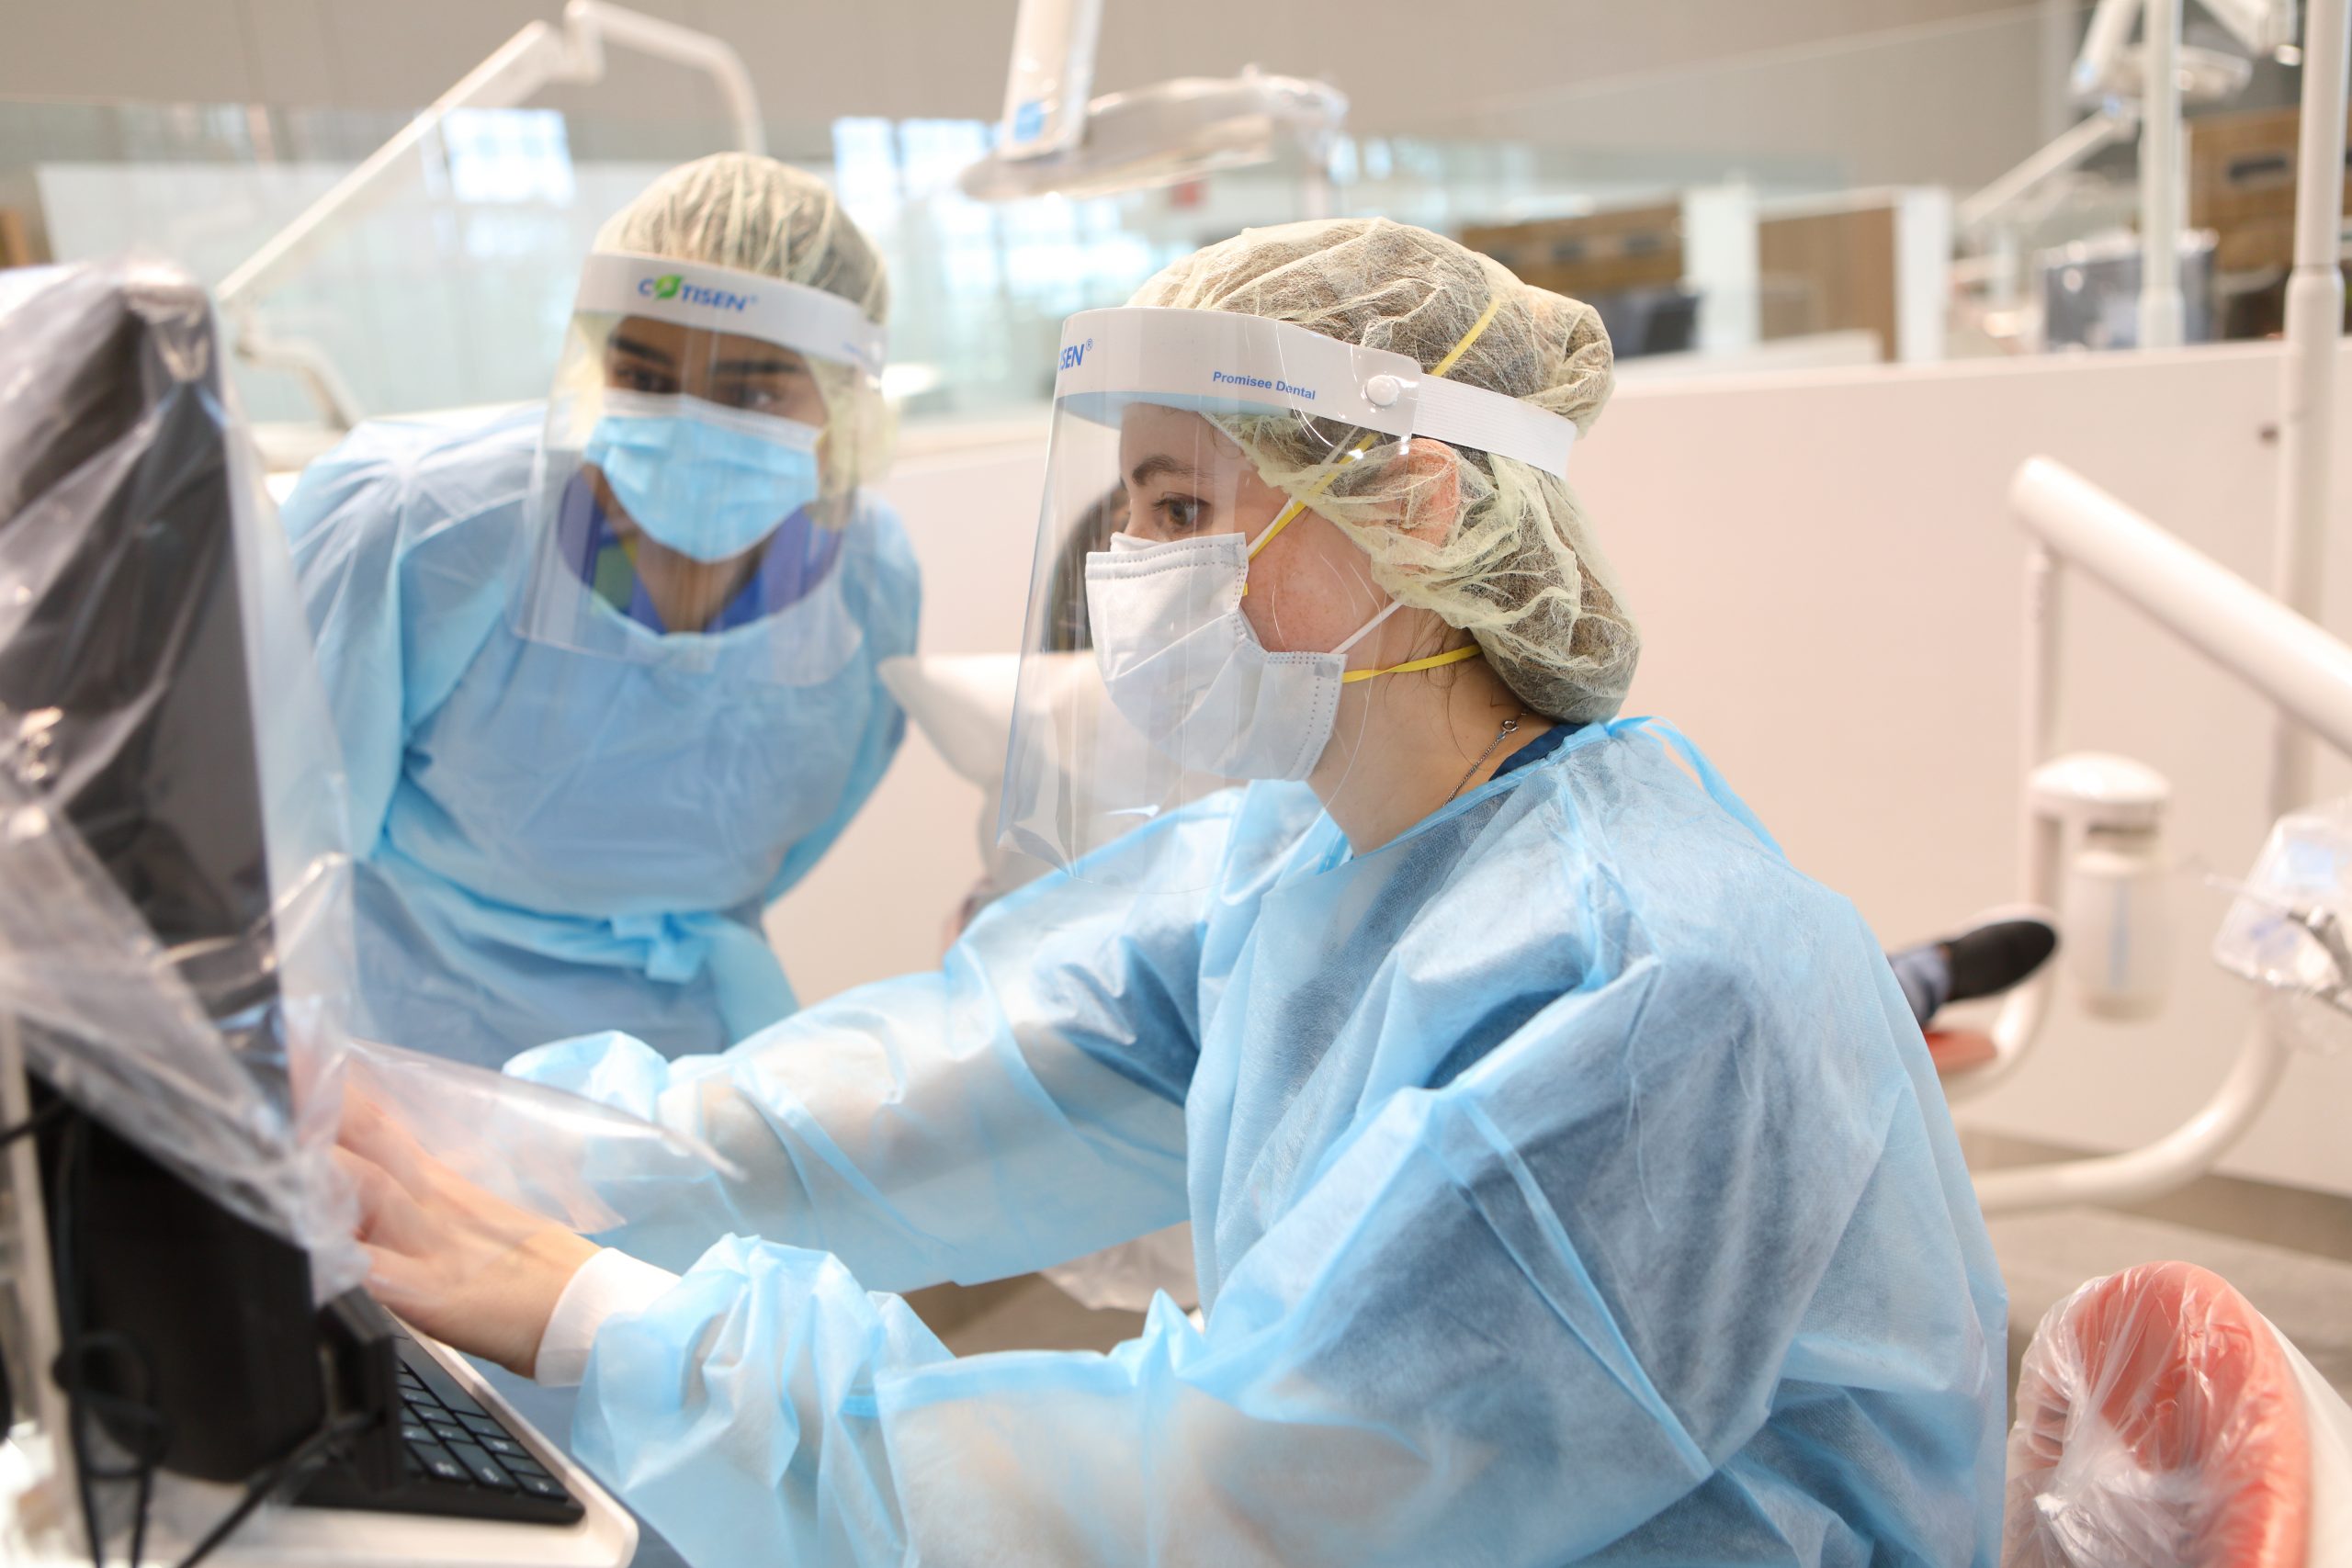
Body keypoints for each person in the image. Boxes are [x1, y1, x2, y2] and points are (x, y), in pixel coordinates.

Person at [341, 218, 2007, 1565]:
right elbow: (891, 1109)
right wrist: (416, 1146)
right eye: (1131, 506)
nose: (1132, 574)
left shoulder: (1648, 986)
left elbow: (1226, 1501)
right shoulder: (1294, 861)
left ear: (1412, 503)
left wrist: (617, 1325)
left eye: (1180, 508)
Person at [285, 154, 917, 1067]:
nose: (691, 422)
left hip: (684, 1056)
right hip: (411, 1043)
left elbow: (803, 827)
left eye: (751, 392)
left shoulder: (869, 577)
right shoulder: (422, 521)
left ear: (848, 400)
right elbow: (283, 833)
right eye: (645, 377)